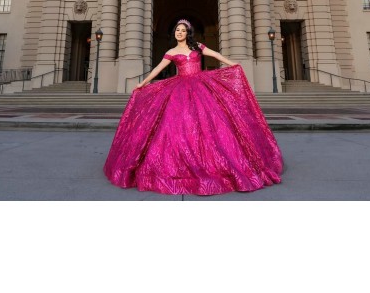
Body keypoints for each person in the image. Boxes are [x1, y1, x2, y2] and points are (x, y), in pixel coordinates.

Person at [103, 19, 284, 196]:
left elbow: (216, 55)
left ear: (187, 33)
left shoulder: (197, 46)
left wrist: (232, 64)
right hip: (180, 89)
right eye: (177, 30)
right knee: (179, 124)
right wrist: (142, 83)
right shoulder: (171, 51)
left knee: (212, 122)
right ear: (174, 33)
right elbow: (157, 69)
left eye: (182, 30)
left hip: (201, 86)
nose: (179, 33)